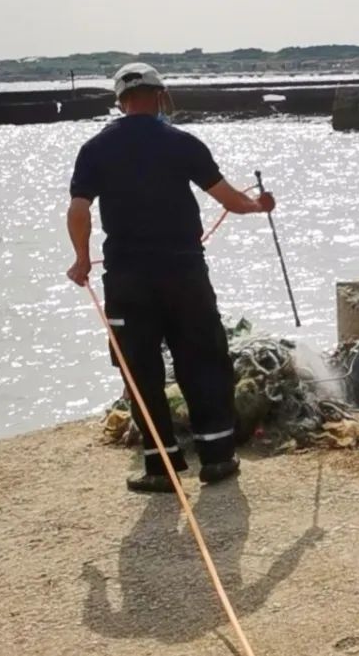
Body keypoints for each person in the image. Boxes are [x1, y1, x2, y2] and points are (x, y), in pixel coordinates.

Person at [66, 63, 275, 493]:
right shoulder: (182, 143)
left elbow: (79, 209)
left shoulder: (95, 149)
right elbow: (229, 199)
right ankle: (217, 458)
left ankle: (160, 467)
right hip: (184, 272)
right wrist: (259, 206)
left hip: (126, 278)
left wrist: (81, 261)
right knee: (202, 358)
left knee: (139, 369)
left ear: (120, 100)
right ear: (161, 96)